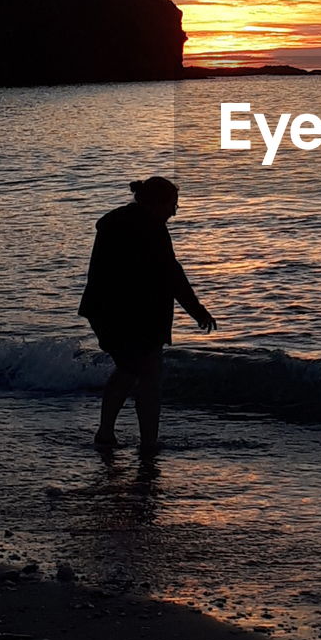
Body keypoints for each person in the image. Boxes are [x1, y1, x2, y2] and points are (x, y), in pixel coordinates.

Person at [79, 175, 216, 450]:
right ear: (157, 203)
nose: (174, 212)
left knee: (134, 370)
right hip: (130, 314)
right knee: (143, 374)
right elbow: (172, 274)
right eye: (172, 205)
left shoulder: (117, 222)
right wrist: (198, 311)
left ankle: (115, 434)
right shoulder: (149, 228)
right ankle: (138, 441)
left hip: (108, 310)